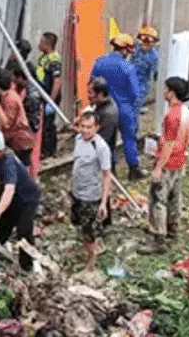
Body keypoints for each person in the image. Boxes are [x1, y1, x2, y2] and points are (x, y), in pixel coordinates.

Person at [140, 77, 189, 254]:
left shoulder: (172, 115)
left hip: (168, 162)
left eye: (165, 89)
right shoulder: (185, 112)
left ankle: (158, 238)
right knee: (174, 197)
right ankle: (172, 230)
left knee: (158, 199)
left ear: (172, 92)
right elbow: (185, 138)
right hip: (179, 161)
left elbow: (169, 143)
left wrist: (158, 167)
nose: (163, 92)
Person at [0, 129, 40, 272]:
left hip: (27, 199)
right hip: (13, 199)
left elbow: (9, 190)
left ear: (0, 149)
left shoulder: (9, 162)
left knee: (23, 232)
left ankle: (27, 267)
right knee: (2, 226)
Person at [91, 34, 143, 180]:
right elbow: (135, 93)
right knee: (129, 138)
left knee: (107, 140)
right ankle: (133, 170)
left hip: (105, 108)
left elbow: (92, 84)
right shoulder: (128, 68)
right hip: (124, 107)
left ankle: (111, 170)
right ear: (125, 50)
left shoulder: (99, 63)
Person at [70, 112, 112, 269]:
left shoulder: (101, 147)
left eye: (89, 127)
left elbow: (107, 175)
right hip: (77, 193)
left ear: (97, 128)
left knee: (90, 233)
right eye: (82, 126)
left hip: (91, 197)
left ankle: (91, 264)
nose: (85, 130)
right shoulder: (78, 139)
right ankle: (85, 252)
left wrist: (103, 203)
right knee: (79, 224)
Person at [0, 70, 35, 165]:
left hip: (20, 142)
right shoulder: (9, 95)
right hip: (19, 141)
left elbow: (6, 123)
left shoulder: (10, 99)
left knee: (19, 170)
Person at [35, 32, 63, 158]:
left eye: (41, 42)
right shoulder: (44, 57)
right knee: (43, 122)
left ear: (48, 44)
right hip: (43, 94)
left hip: (50, 96)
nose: (39, 44)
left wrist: (51, 101)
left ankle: (49, 150)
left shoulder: (54, 60)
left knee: (48, 124)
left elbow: (57, 81)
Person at [131, 26, 160, 114]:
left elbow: (156, 73)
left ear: (153, 43)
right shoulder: (136, 47)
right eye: (144, 41)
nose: (145, 44)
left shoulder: (154, 56)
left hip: (141, 85)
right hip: (129, 79)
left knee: (135, 108)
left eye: (149, 42)